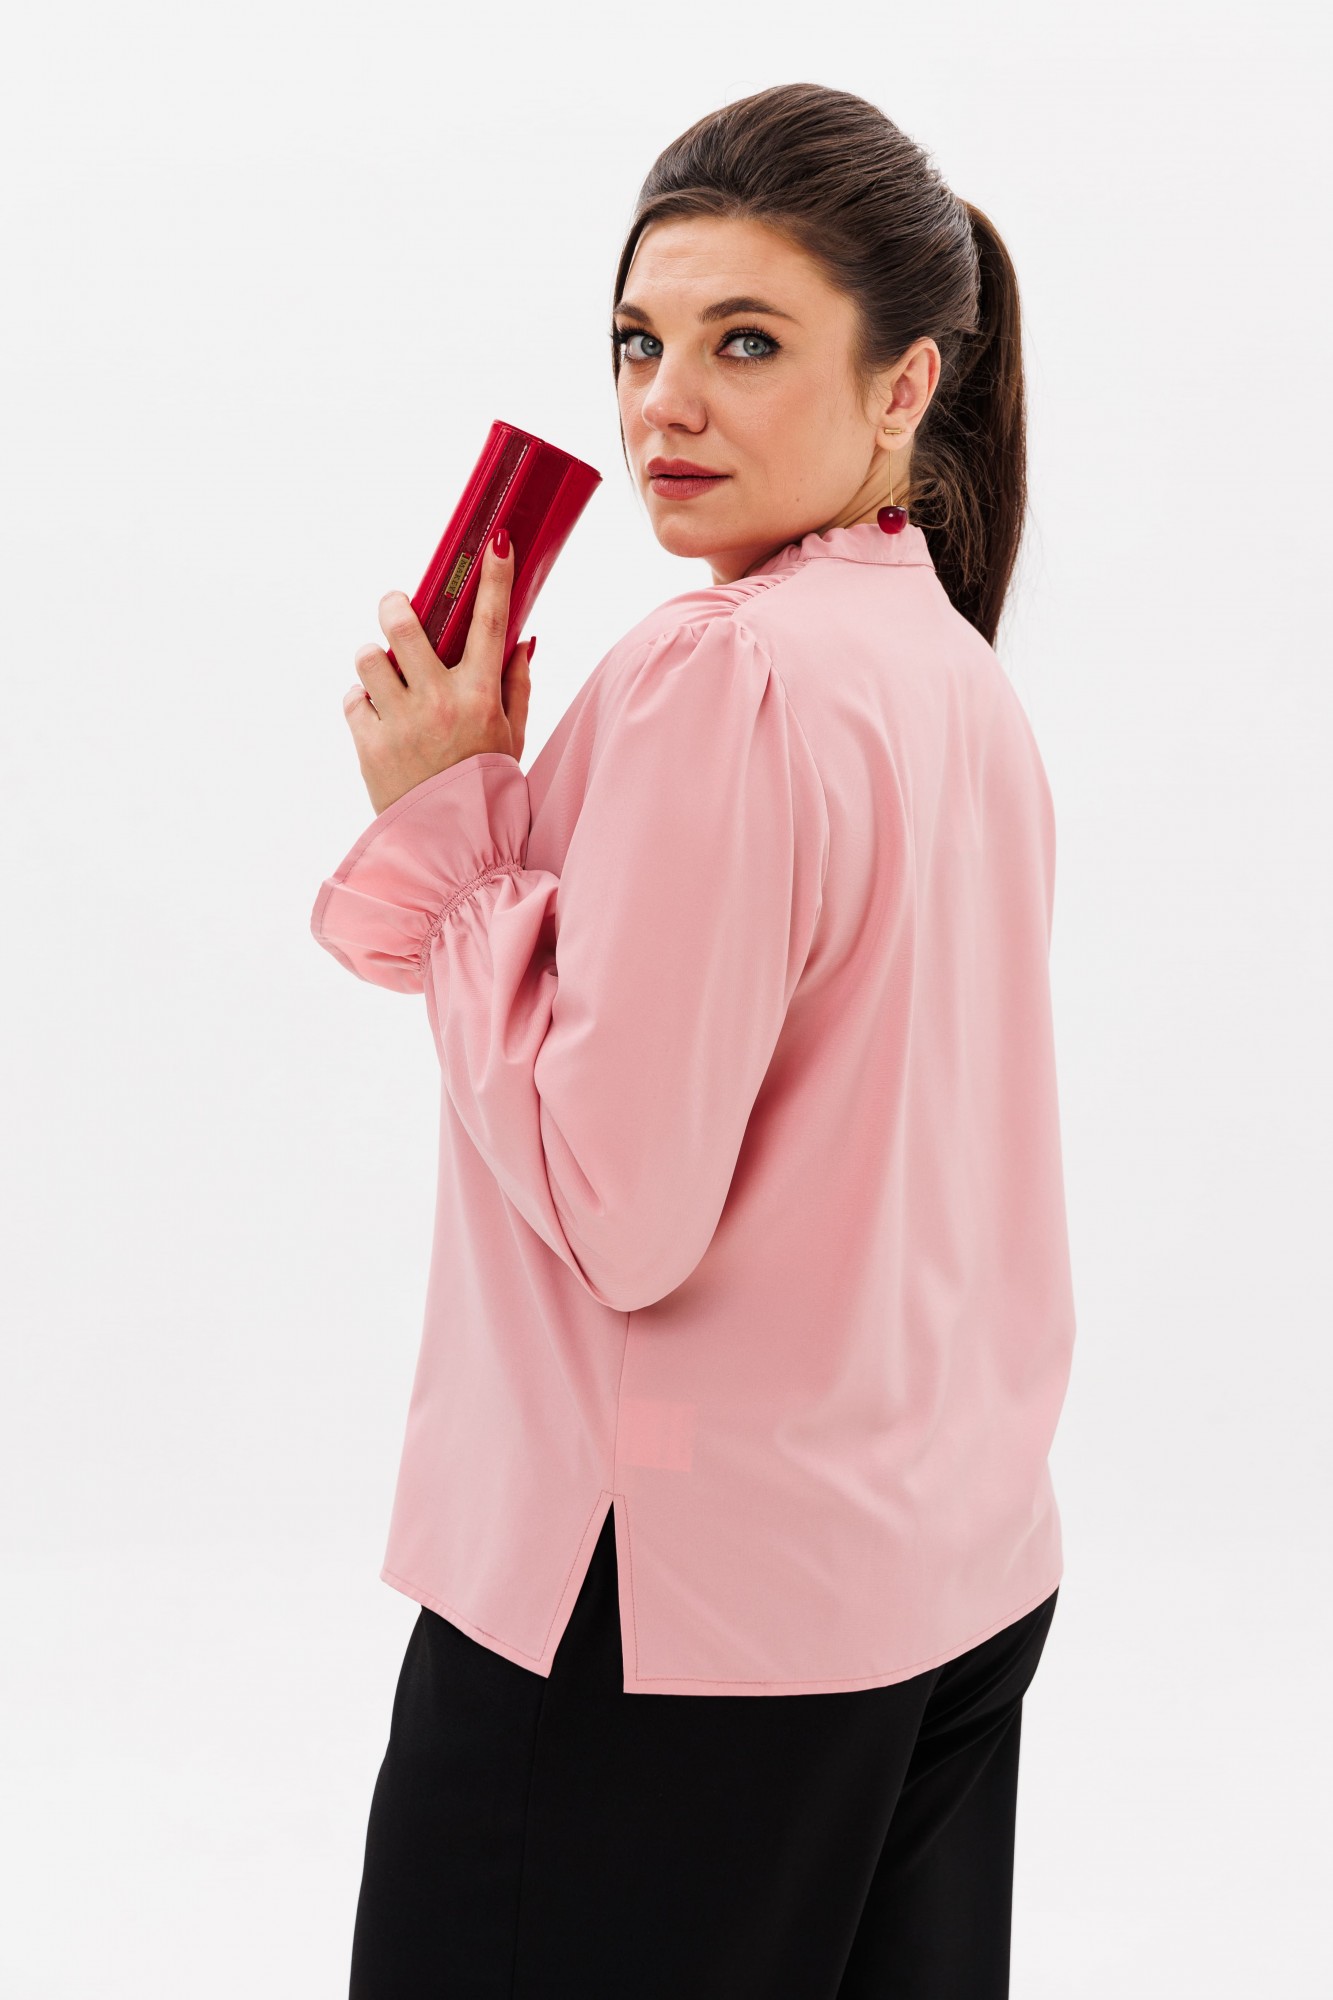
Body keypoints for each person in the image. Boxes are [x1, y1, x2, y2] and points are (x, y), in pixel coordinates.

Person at [311, 79, 1077, 2000]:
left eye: (745, 344)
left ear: (904, 386)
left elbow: (617, 1208)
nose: (664, 403)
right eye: (638, 343)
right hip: (936, 1581)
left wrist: (455, 825)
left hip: (661, 1607)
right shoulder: (949, 672)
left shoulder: (717, 671)